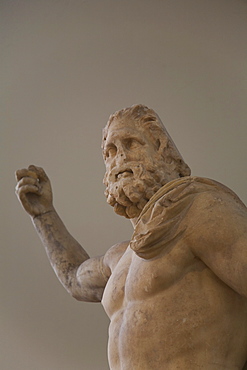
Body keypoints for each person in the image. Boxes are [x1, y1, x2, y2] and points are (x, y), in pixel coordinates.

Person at [15, 104, 247, 369]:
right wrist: (44, 215)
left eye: (132, 143)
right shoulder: (120, 257)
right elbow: (74, 278)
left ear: (164, 153)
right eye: (110, 152)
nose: (119, 158)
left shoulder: (201, 211)